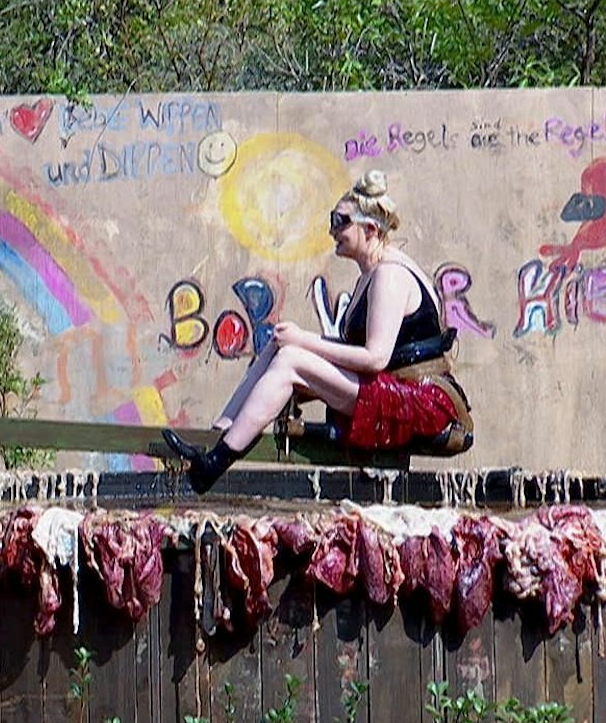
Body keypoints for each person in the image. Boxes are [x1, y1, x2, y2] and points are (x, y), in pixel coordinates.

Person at [162, 170, 466, 493]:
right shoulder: (371, 273)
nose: (333, 230)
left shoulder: (389, 276)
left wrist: (304, 341)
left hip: (419, 402)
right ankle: (220, 432)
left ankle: (211, 467)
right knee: (280, 344)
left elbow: (375, 358)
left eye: (341, 221)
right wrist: (294, 337)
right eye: (332, 219)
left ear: (370, 229)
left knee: (292, 358)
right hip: (392, 391)